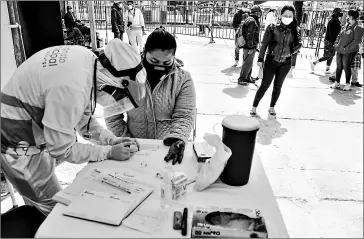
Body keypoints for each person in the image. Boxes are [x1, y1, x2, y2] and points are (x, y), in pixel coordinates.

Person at [0, 39, 146, 215]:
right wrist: (107, 152)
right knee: (54, 209)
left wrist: (111, 140)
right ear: (115, 81)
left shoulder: (87, 62)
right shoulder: (71, 86)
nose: (115, 101)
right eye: (119, 97)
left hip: (32, 133)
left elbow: (82, 119)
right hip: (17, 143)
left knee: (40, 201)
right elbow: (62, 148)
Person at [105, 28, 196, 165]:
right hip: (132, 148)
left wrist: (177, 139)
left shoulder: (183, 79)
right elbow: (112, 115)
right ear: (144, 52)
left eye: (166, 63)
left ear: (174, 57)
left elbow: (184, 115)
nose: (159, 66)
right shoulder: (126, 76)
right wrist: (127, 141)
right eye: (154, 60)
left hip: (167, 149)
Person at [250, 5, 302, 117]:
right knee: (265, 85)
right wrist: (260, 58)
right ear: (280, 15)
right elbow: (264, 44)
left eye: (290, 16)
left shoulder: (295, 29)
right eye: (285, 15)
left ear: (293, 17)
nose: (288, 17)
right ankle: (254, 107)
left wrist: (294, 50)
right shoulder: (272, 27)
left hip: (285, 63)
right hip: (271, 61)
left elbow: (299, 44)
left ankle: (272, 107)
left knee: (278, 86)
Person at [331, 9, 364, 91]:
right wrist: (336, 44)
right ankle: (337, 83)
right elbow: (339, 36)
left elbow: (356, 41)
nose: (347, 17)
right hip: (340, 50)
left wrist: (347, 48)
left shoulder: (358, 28)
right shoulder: (345, 25)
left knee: (346, 67)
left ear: (352, 17)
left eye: (348, 15)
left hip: (349, 51)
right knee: (339, 67)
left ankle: (347, 84)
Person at [310, 8, 343, 74]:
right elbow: (332, 34)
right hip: (330, 41)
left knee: (331, 55)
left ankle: (327, 69)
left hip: (331, 40)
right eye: (340, 13)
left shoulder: (336, 21)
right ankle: (314, 63)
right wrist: (334, 42)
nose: (341, 14)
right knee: (328, 55)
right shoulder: (333, 21)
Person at [237, 5, 262, 85]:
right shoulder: (252, 21)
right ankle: (242, 79)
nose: (260, 14)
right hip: (249, 46)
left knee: (248, 62)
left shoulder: (249, 19)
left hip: (247, 46)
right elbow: (250, 35)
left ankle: (247, 77)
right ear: (257, 13)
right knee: (248, 63)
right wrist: (251, 46)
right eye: (259, 12)